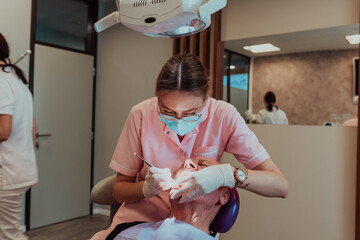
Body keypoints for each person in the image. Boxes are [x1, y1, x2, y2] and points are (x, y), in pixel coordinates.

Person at [91, 53, 288, 240]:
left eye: (191, 112)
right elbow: (119, 190)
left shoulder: (223, 116)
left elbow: (280, 186)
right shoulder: (141, 114)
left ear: (206, 98)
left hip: (193, 228)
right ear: (157, 98)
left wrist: (228, 175)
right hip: (137, 225)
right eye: (167, 111)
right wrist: (145, 188)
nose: (178, 119)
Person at [106, 157, 230, 240]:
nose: (188, 162)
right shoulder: (127, 230)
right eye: (182, 167)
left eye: (202, 165)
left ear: (223, 196)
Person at [0, 33, 38, 240]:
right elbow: (33, 129)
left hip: (7, 172)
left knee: (8, 234)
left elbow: (3, 131)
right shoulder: (17, 83)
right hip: (20, 169)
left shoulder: (2, 81)